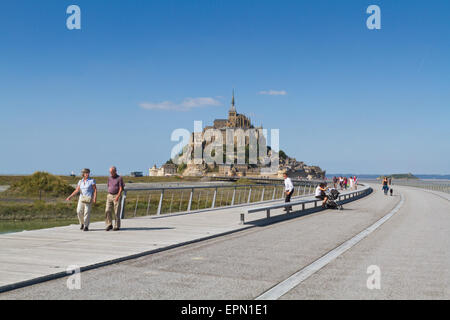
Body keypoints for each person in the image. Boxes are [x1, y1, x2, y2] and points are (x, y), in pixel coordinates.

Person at [105, 166, 125, 231]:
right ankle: (109, 224)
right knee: (107, 210)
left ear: (115, 171)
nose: (111, 173)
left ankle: (117, 226)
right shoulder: (109, 178)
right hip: (110, 195)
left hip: (117, 195)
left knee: (116, 212)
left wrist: (117, 196)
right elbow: (108, 186)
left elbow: (121, 188)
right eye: (110, 172)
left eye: (112, 172)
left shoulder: (119, 178)